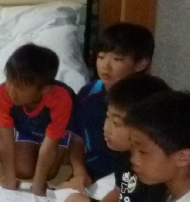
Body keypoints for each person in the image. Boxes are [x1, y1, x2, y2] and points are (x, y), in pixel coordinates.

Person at [56, 75, 171, 202]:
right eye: (107, 117)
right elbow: (120, 191)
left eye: (116, 122)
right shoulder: (126, 154)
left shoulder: (156, 177)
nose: (106, 127)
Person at [66, 23, 155, 190]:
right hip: (92, 173)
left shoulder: (148, 102)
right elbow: (77, 139)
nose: (105, 66)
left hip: (131, 179)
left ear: (141, 63)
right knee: (60, 198)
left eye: (117, 59)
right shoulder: (88, 93)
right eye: (101, 57)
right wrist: (79, 172)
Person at [0, 44, 74, 197]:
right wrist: (10, 180)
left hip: (55, 136)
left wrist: (38, 185)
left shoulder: (61, 99)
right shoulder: (3, 92)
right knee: (22, 170)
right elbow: (5, 137)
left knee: (48, 174)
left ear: (44, 89)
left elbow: (50, 144)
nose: (12, 91)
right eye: (9, 80)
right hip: (28, 131)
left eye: (20, 88)